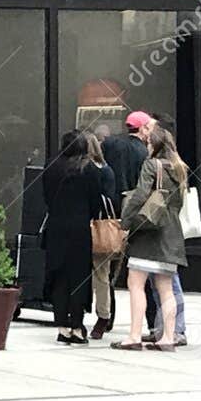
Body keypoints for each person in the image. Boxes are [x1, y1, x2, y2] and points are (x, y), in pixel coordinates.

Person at [116, 122, 187, 352]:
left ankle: (134, 335)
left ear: (153, 144)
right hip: (171, 235)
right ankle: (168, 337)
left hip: (148, 234)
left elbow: (139, 197)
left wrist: (125, 222)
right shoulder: (179, 168)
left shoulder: (151, 165)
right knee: (166, 287)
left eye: (147, 142)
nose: (145, 146)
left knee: (135, 283)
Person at [40, 130, 104, 345]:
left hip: (56, 226)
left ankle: (61, 327)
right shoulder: (88, 169)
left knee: (58, 275)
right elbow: (96, 201)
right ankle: (77, 326)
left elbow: (46, 197)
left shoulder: (51, 166)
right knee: (79, 277)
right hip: (79, 229)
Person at [85, 132, 120, 339]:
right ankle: (102, 315)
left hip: (95, 226)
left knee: (99, 273)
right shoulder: (108, 171)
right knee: (101, 275)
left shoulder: (100, 172)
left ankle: (103, 314)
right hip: (96, 226)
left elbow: (105, 201)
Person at [102, 110, 151, 199]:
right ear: (142, 129)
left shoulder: (112, 144)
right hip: (132, 202)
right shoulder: (143, 151)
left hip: (111, 200)